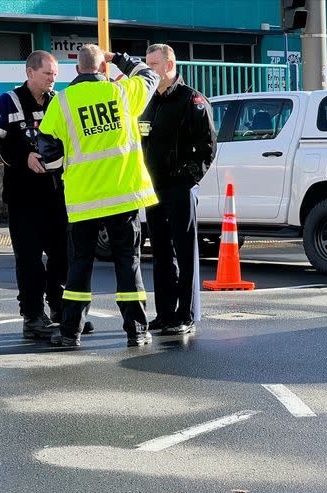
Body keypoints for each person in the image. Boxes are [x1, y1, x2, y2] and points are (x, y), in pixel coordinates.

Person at [36, 44, 160, 347]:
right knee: (128, 264)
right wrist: (116, 57)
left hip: (84, 199)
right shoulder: (122, 93)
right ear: (102, 67)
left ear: (77, 69)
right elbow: (150, 75)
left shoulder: (62, 102)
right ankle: (137, 331)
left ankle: (69, 332)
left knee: (79, 265)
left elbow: (48, 155)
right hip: (124, 195)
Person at [0, 50, 92, 339]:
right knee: (29, 260)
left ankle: (59, 309)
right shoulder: (9, 101)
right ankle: (32, 317)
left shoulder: (59, 101)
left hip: (56, 195)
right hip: (22, 198)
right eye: (48, 74)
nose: (53, 79)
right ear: (30, 73)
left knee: (61, 257)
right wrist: (24, 156)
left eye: (55, 74)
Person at [140, 43, 216, 336]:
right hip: (153, 187)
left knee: (184, 252)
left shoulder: (191, 99)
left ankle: (186, 314)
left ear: (169, 66)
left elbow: (208, 145)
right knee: (160, 252)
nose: (148, 70)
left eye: (153, 65)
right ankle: (165, 313)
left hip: (179, 187)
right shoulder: (149, 101)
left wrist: (189, 179)